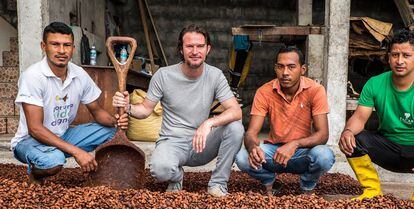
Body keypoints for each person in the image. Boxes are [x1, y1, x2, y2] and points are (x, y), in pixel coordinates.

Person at [113, 25, 243, 197]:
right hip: (172, 142)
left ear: (208, 49)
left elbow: (236, 111)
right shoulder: (163, 76)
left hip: (202, 143)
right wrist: (127, 106)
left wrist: (209, 123)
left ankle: (218, 184)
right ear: (181, 49)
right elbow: (144, 110)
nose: (195, 51)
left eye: (200, 46)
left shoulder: (215, 75)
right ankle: (176, 177)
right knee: (160, 171)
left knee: (235, 127)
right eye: (189, 46)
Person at [11, 22, 128, 184]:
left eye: (66, 45)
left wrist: (117, 121)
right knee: (54, 161)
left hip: (63, 136)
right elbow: (35, 129)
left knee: (112, 133)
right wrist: (77, 152)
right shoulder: (33, 76)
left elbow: (97, 111)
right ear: (43, 46)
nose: (61, 51)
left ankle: (101, 175)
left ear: (73, 48)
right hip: (29, 141)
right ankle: (36, 171)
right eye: (55, 44)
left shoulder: (79, 74)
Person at [235, 46, 335, 194]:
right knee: (242, 157)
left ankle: (307, 186)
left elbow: (323, 135)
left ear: (303, 69)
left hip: (303, 152)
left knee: (325, 156)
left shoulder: (315, 90)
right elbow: (251, 133)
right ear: (275, 68)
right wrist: (253, 148)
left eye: (291, 67)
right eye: (280, 67)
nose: (285, 73)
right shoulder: (264, 92)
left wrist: (294, 144)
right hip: (274, 153)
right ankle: (270, 181)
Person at [339, 29, 414, 200]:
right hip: (389, 150)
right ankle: (371, 191)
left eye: (406, 55)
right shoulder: (375, 84)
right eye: (395, 55)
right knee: (353, 138)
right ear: (388, 58)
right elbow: (359, 118)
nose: (400, 61)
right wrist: (348, 132)